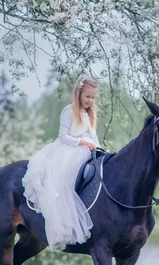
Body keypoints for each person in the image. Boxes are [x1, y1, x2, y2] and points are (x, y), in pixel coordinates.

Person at [22, 76, 101, 250]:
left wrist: (101, 149)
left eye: (93, 97)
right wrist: (81, 142)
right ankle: (68, 212)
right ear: (79, 93)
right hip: (69, 150)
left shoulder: (90, 113)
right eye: (88, 96)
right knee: (66, 180)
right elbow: (63, 136)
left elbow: (93, 137)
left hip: (88, 148)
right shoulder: (69, 111)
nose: (90, 100)